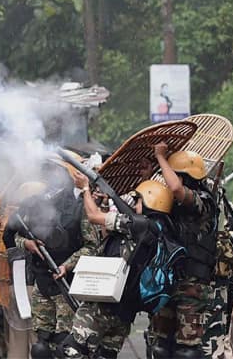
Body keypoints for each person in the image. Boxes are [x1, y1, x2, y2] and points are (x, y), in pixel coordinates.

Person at [62, 174, 175, 359]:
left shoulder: (138, 224)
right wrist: (106, 203)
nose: (134, 204)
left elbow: (93, 216)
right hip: (125, 310)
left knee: (71, 351)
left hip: (103, 305)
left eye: (138, 200)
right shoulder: (159, 230)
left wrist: (85, 189)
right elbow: (108, 232)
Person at [8, 153, 91, 357]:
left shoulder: (80, 207)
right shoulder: (35, 205)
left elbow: (91, 246)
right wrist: (27, 243)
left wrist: (67, 265)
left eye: (55, 172)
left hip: (68, 285)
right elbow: (12, 236)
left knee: (65, 345)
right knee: (40, 346)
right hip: (41, 283)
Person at [150, 144, 218, 358]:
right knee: (161, 346)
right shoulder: (171, 204)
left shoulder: (204, 201)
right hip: (169, 278)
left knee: (186, 350)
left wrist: (161, 158)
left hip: (192, 283)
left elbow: (178, 190)